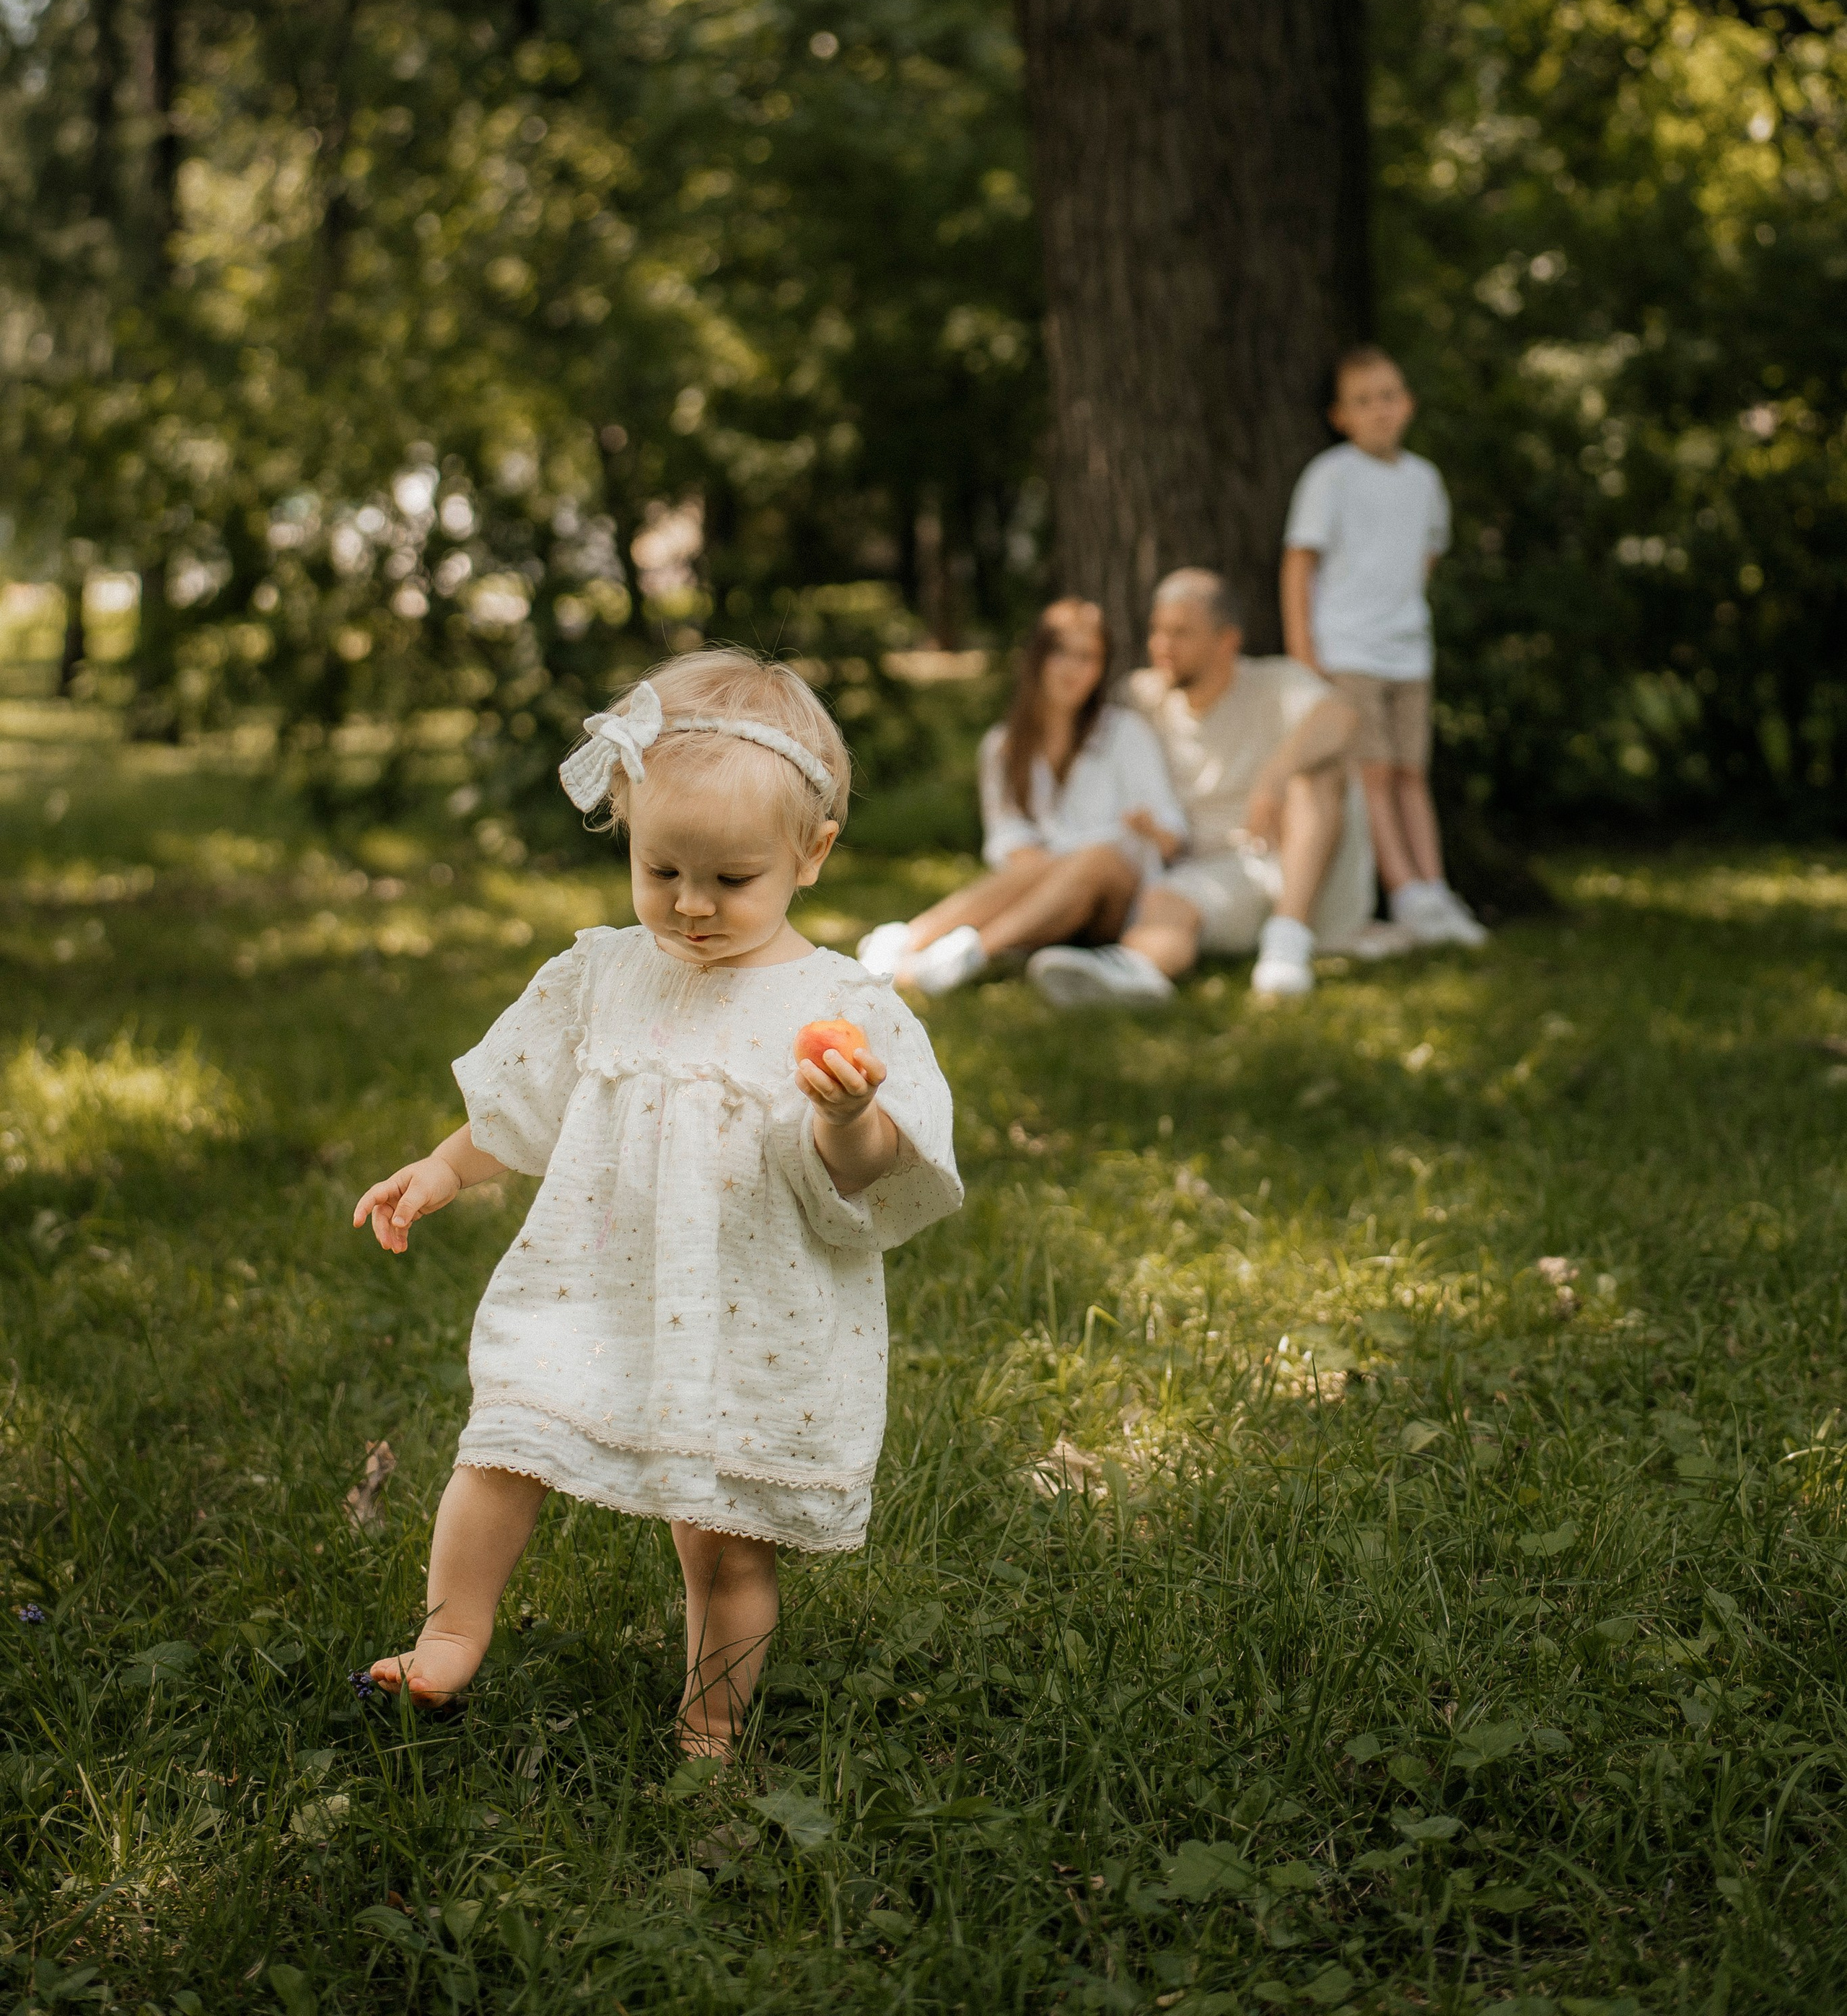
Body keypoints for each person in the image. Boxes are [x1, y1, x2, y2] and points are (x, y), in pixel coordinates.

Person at [349, 649, 961, 1752]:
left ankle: (712, 1724)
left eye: (731, 880)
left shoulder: (838, 1003)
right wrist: (444, 1167)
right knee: (505, 1441)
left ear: (810, 855)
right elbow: (520, 1101)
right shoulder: (605, 973)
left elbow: (868, 1175)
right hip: (593, 1280)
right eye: (661, 868)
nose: (690, 905)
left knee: (724, 1535)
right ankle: (449, 1636)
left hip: (744, 1310)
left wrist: (845, 1112)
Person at [1027, 569, 1368, 1006]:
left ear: (1226, 641)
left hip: (1289, 869)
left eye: (1180, 633)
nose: (1160, 646)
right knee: (1170, 900)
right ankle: (1133, 972)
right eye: (1157, 630)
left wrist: (1275, 775)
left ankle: (1288, 943)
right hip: (1196, 875)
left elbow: (1342, 716)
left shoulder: (1273, 683)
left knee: (1320, 773)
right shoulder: (1141, 697)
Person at [856, 596, 1186, 997]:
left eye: (1089, 658)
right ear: (1038, 659)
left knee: (1095, 857)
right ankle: (910, 941)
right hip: (1043, 891)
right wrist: (1051, 868)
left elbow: (1173, 838)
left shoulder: (1125, 734)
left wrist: (1149, 828)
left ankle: (971, 953)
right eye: (1062, 653)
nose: (1074, 670)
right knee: (1049, 864)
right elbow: (1007, 840)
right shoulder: (1004, 747)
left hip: (1119, 900)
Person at [1280, 346, 1486, 947]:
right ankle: (1406, 892)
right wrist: (1304, 647)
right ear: (1340, 415)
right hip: (1348, 650)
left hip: (1408, 652)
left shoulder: (1424, 480)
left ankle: (1435, 885)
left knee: (1408, 771)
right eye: (1363, 401)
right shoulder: (1331, 475)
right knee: (1371, 772)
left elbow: (1426, 553)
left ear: (1408, 404)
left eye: (1389, 396)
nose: (1379, 410)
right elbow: (1300, 561)